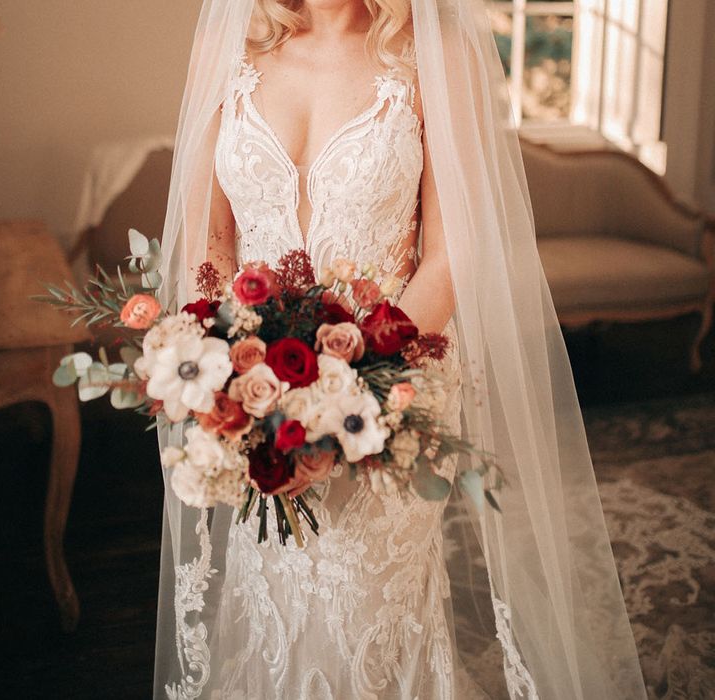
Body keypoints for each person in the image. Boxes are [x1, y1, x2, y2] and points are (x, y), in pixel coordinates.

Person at [154, 2, 648, 698]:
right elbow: (207, 239)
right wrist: (236, 381)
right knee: (271, 607)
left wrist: (348, 406)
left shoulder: (435, 49)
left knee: (363, 627)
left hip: (389, 401)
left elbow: (450, 257)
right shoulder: (229, 40)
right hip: (256, 400)